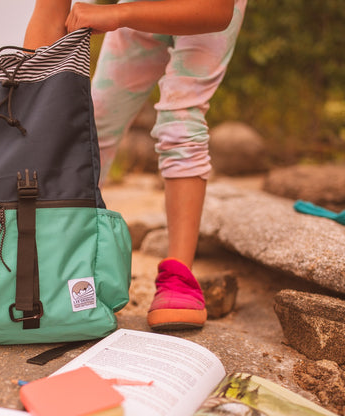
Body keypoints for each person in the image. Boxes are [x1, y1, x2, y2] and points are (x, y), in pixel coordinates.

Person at [24, 0, 247, 331]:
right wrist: (32, 108)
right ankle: (55, 257)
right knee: (93, 123)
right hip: (135, 10)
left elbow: (217, 11)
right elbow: (48, 18)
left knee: (181, 116)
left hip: (202, 11)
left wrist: (117, 15)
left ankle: (178, 275)